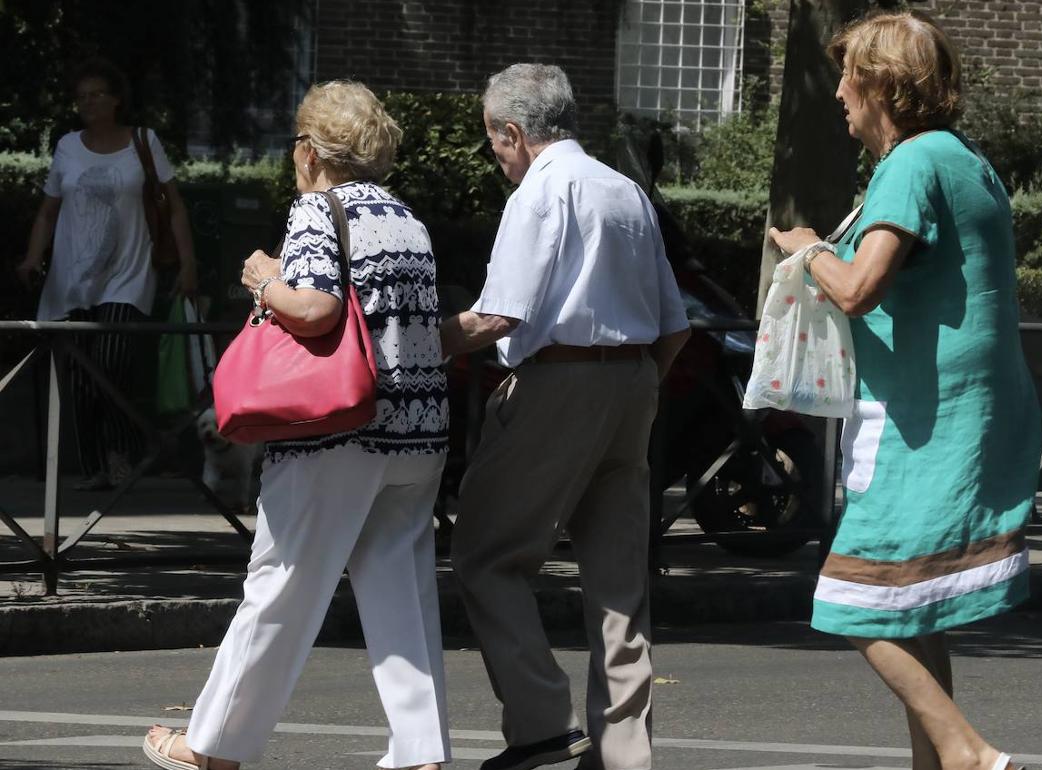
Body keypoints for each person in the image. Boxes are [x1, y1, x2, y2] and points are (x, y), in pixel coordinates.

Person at [142, 81, 451, 770]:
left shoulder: (318, 209)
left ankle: (211, 747)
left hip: (333, 435)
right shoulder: (407, 219)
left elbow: (313, 310)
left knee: (280, 582)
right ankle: (421, 752)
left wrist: (262, 278)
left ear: (310, 152)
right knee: (402, 591)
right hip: (417, 432)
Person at [768, 11, 1038, 770]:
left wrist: (808, 248)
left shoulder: (913, 164)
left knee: (853, 599)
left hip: (923, 419)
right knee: (914, 605)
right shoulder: (964, 159)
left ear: (882, 83)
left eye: (849, 75)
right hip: (963, 411)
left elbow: (857, 288)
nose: (840, 94)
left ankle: (965, 752)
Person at [441, 63, 690, 770]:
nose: (497, 157)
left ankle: (541, 725)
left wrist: (409, 343)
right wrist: (630, 384)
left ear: (513, 132)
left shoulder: (541, 192)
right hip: (635, 379)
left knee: (487, 554)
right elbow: (677, 328)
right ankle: (624, 753)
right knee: (618, 582)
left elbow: (497, 315)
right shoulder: (625, 192)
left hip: (558, 380)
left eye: (495, 143)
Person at [16, 57, 197, 490]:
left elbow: (172, 206)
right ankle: (97, 466)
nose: (88, 102)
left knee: (110, 366)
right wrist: (30, 256)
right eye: (81, 97)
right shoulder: (67, 147)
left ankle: (123, 457)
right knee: (79, 378)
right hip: (71, 280)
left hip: (129, 275)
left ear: (116, 100)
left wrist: (189, 264)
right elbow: (48, 211)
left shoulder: (143, 142)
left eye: (97, 94)